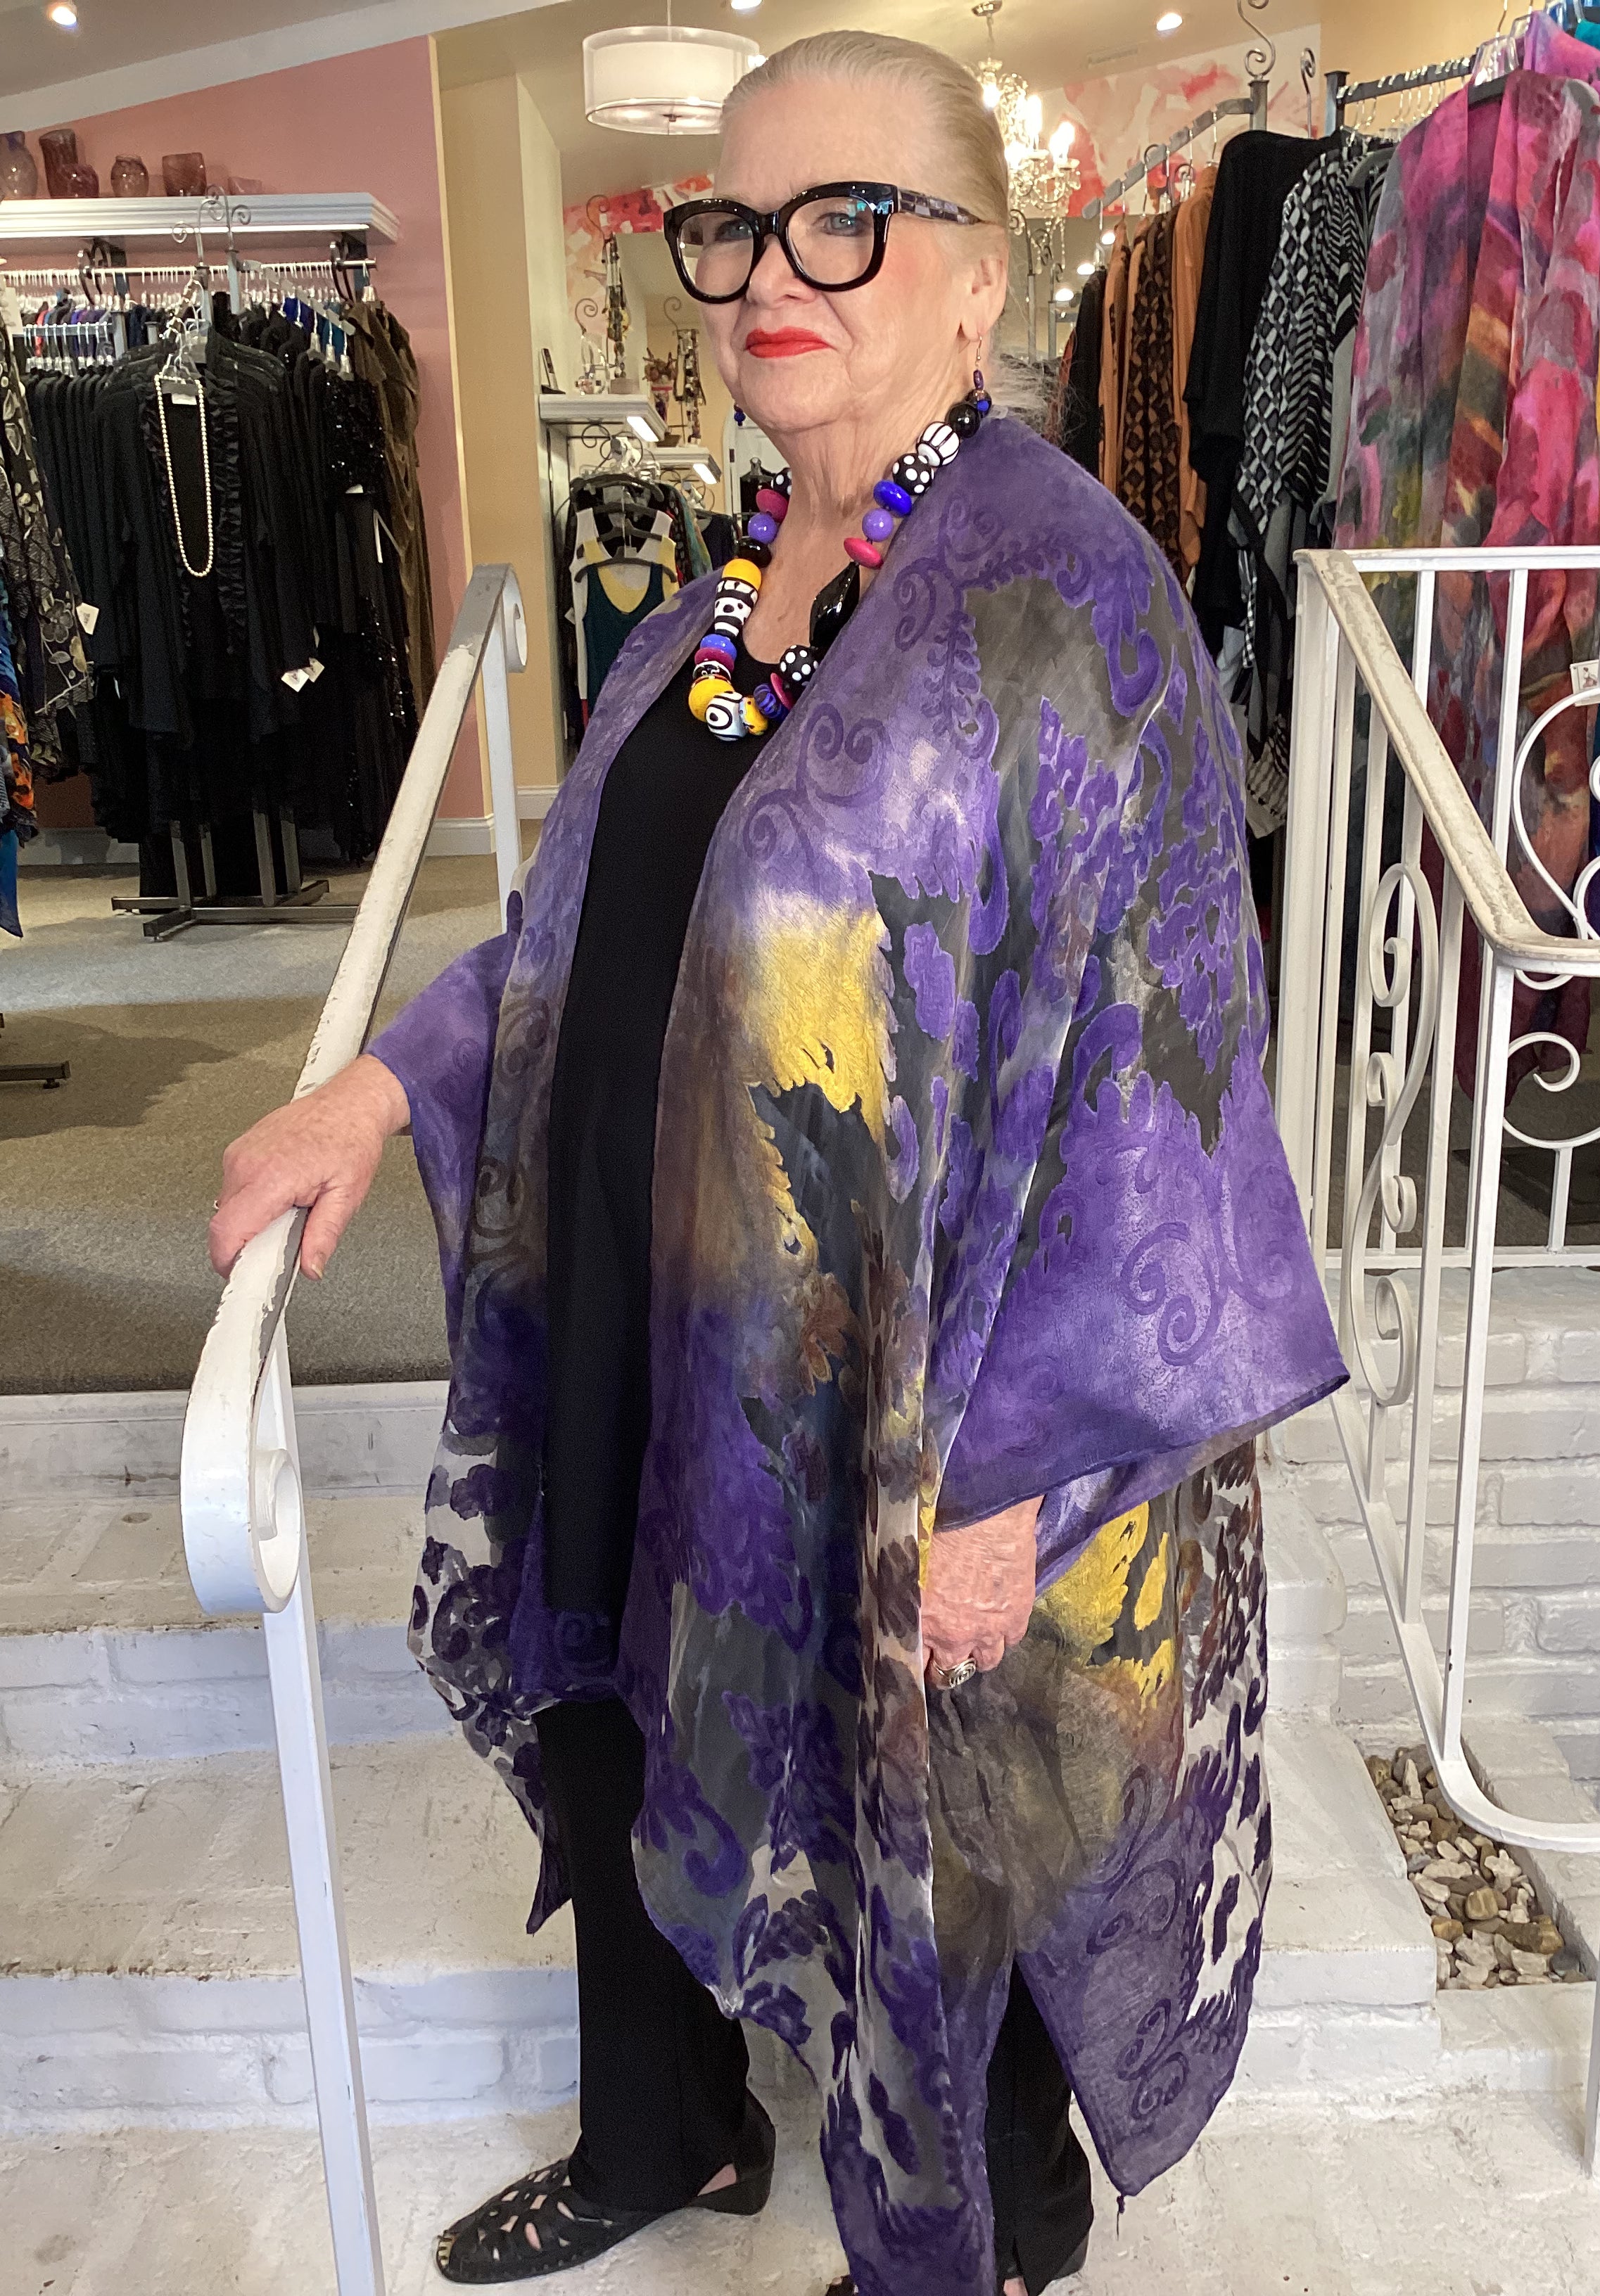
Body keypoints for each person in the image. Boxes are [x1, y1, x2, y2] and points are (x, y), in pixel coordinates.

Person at [210, 31, 1344, 2296]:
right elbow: (596, 938)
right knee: (622, 1699)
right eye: (732, 229)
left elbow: (1167, 1073)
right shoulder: (720, 598)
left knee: (947, 1819)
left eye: (849, 221)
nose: (769, 279)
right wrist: (388, 1085)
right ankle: (669, 2130)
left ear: (979, 271)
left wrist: (1018, 1469)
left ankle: (985, 2240)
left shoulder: (1065, 595)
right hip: (663, 1307)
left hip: (916, 1400)